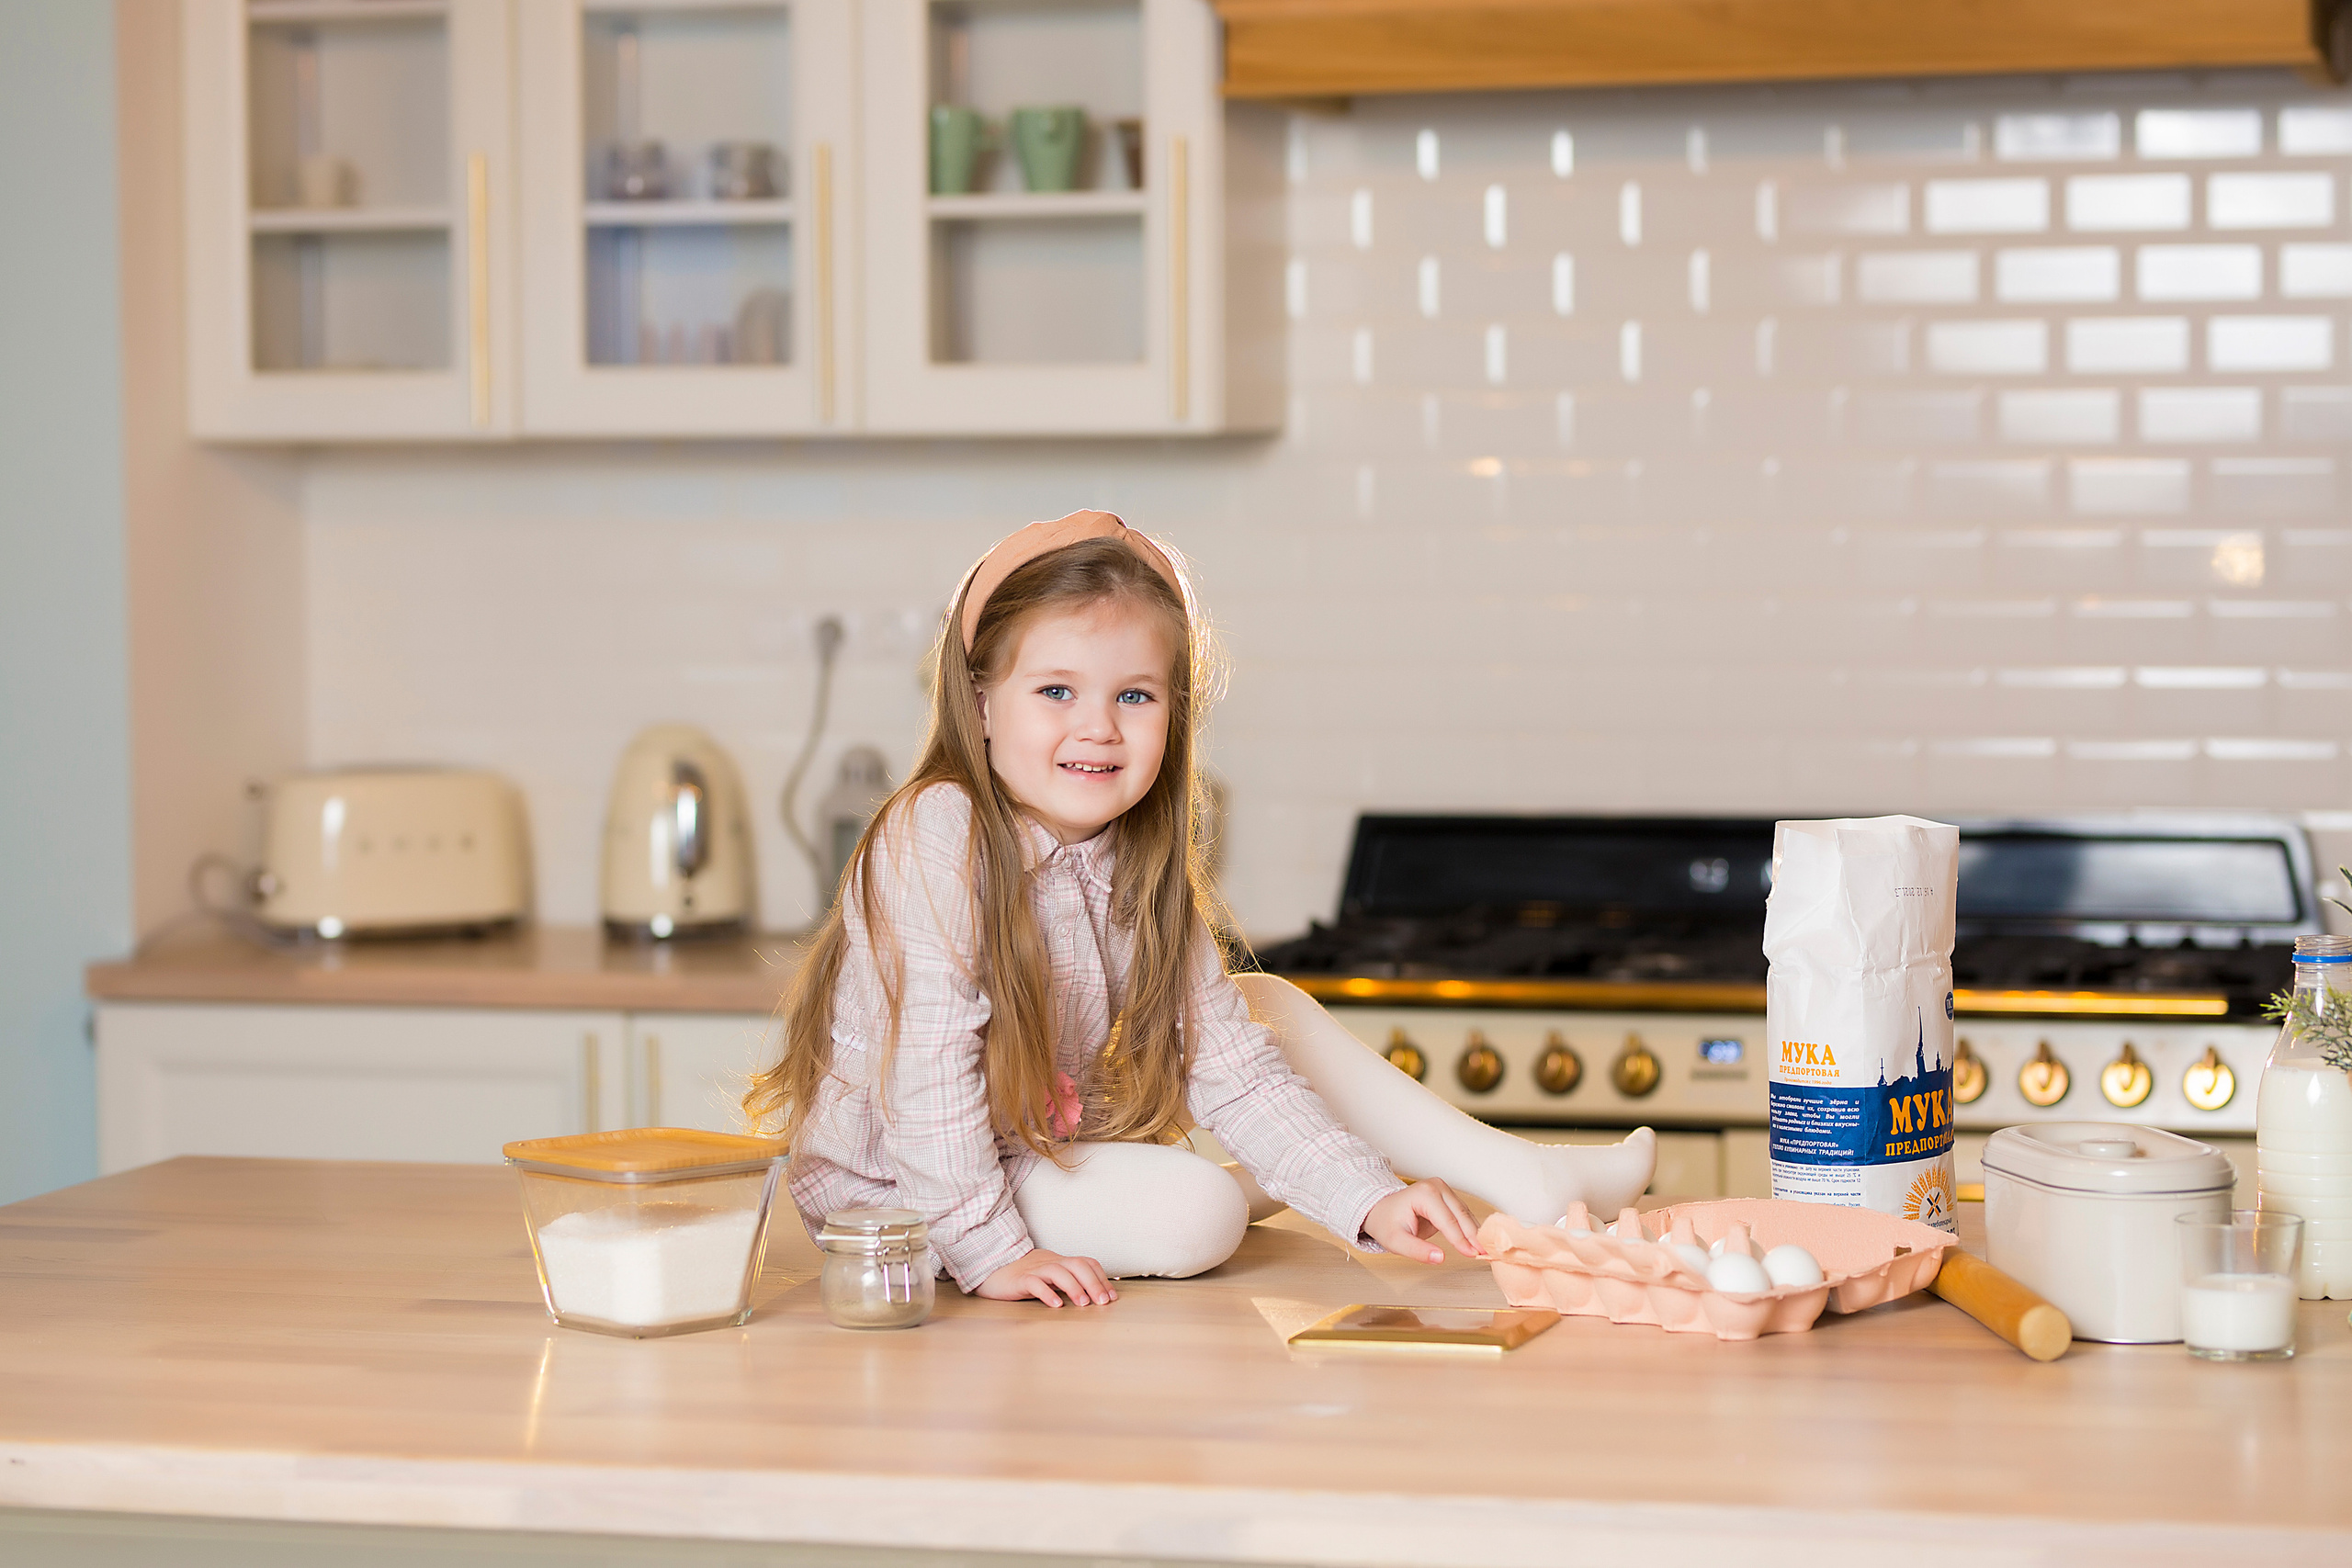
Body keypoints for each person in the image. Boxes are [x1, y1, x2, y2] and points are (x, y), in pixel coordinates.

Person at [744, 511, 1655, 1307]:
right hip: (904, 1189)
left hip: (1034, 1155)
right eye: (1056, 690)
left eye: (1133, 696)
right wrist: (990, 1254)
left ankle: (1517, 1177)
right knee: (1201, 1210)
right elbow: (930, 1075)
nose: (1097, 726)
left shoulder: (1137, 862)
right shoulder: (939, 830)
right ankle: (1264, 1181)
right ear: (979, 701)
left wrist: (1370, 1199)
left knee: (1263, 1016)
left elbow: (1233, 1071)